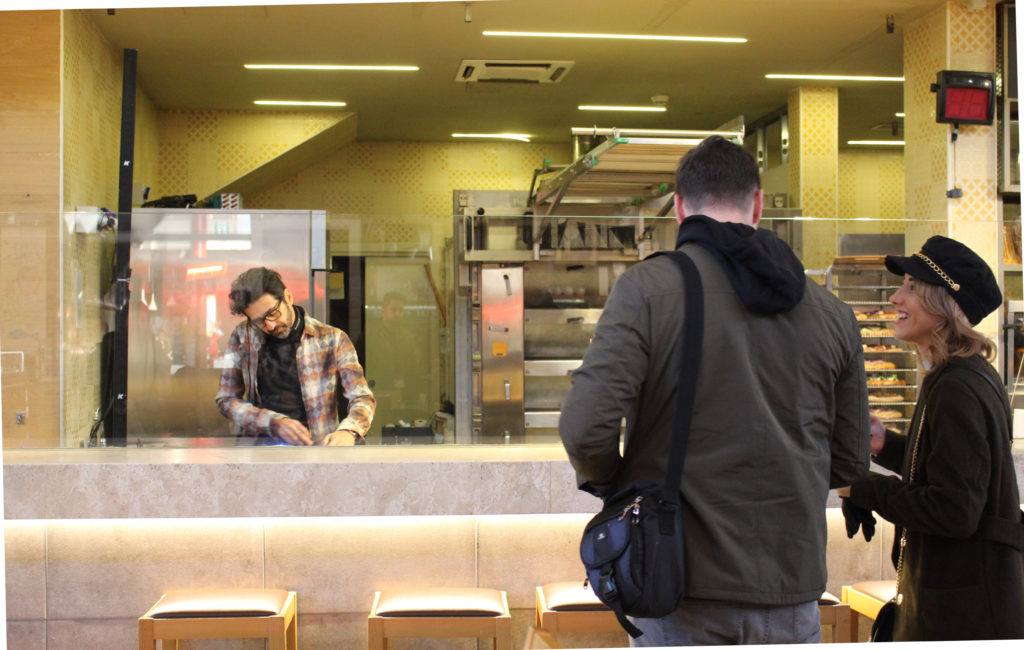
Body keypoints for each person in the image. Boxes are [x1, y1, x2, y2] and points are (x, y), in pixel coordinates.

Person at [558, 135, 871, 646]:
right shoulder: (832, 313)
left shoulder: (648, 289)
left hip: (679, 585)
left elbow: (584, 427)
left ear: (679, 207)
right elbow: (851, 459)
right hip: (792, 592)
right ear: (759, 202)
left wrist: (619, 484)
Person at [837, 236, 1024, 640]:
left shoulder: (957, 387)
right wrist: (885, 445)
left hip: (964, 615)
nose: (894, 296)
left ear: (943, 307)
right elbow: (950, 466)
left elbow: (953, 510)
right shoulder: (957, 374)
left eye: (911, 287)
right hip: (963, 604)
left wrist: (862, 487)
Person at [216, 266, 375, 446]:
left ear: (288, 297)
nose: (270, 325)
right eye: (259, 321)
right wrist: (274, 423)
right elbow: (226, 399)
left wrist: (349, 431)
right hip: (260, 452)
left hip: (318, 449)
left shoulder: (332, 338)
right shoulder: (242, 336)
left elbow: (362, 397)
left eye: (272, 313)